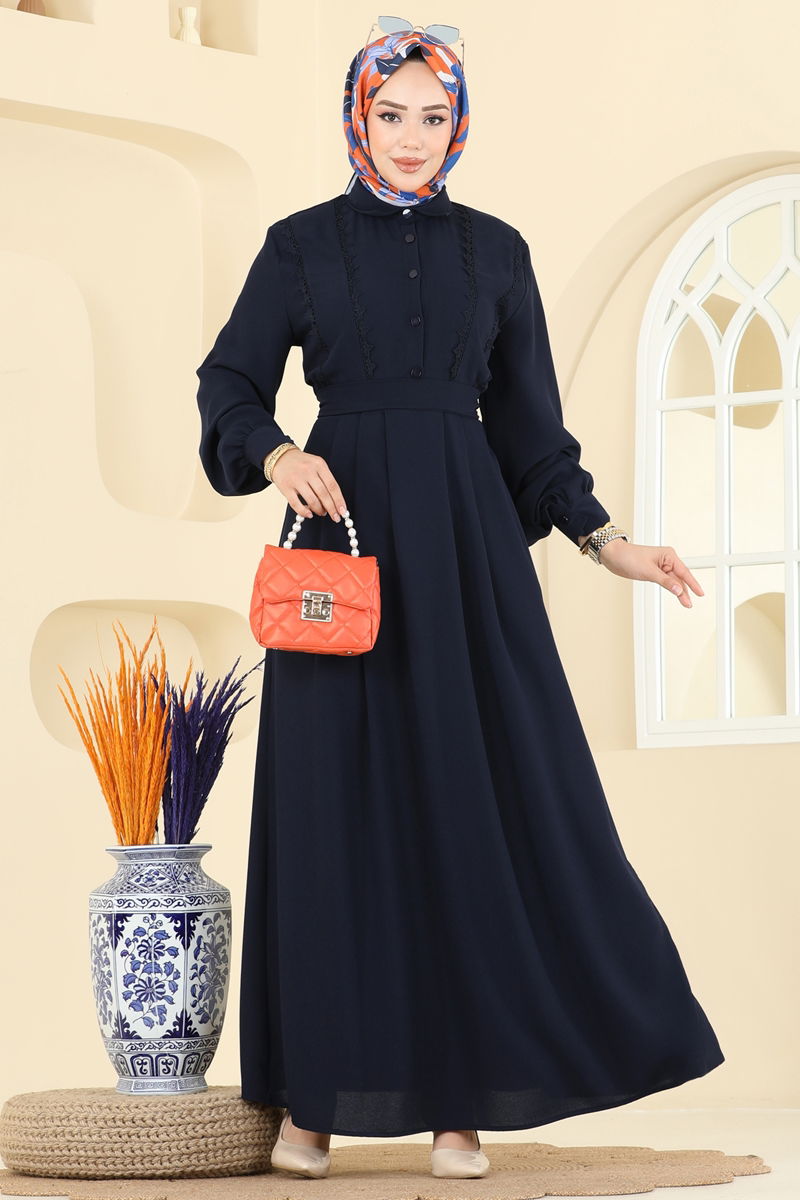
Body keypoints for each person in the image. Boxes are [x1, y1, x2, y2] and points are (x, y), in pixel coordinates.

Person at [195, 24, 725, 1181]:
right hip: (337, 553)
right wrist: (275, 452)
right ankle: (312, 1105)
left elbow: (530, 431)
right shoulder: (298, 247)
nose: (410, 139)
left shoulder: (496, 252)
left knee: (473, 813)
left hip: (466, 559)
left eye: (432, 118)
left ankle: (458, 1108)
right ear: (358, 117)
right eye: (390, 115)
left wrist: (606, 541)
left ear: (457, 125)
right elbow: (227, 380)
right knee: (328, 815)